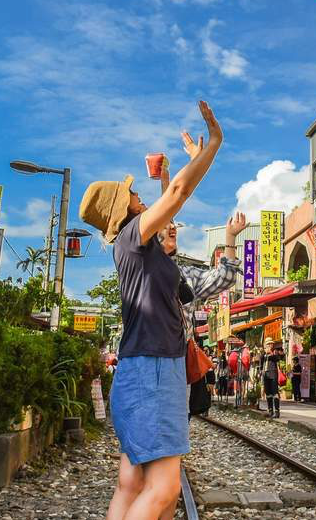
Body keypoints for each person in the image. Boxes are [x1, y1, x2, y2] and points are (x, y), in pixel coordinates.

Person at [82, 100, 223, 520]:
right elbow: (179, 195)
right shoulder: (131, 236)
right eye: (133, 195)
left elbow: (168, 208)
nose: (139, 196)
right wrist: (214, 144)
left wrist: (169, 178)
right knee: (162, 491)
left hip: (141, 368)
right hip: (154, 369)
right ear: (121, 210)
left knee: (133, 482)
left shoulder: (140, 247)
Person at [261, 339, 284, 417]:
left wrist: (271, 353)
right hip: (266, 375)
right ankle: (270, 410)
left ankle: (277, 412)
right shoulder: (264, 354)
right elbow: (261, 364)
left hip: (273, 375)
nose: (269, 345)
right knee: (268, 393)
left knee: (275, 393)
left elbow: (277, 359)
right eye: (267, 344)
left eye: (270, 344)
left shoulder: (275, 352)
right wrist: (264, 353)